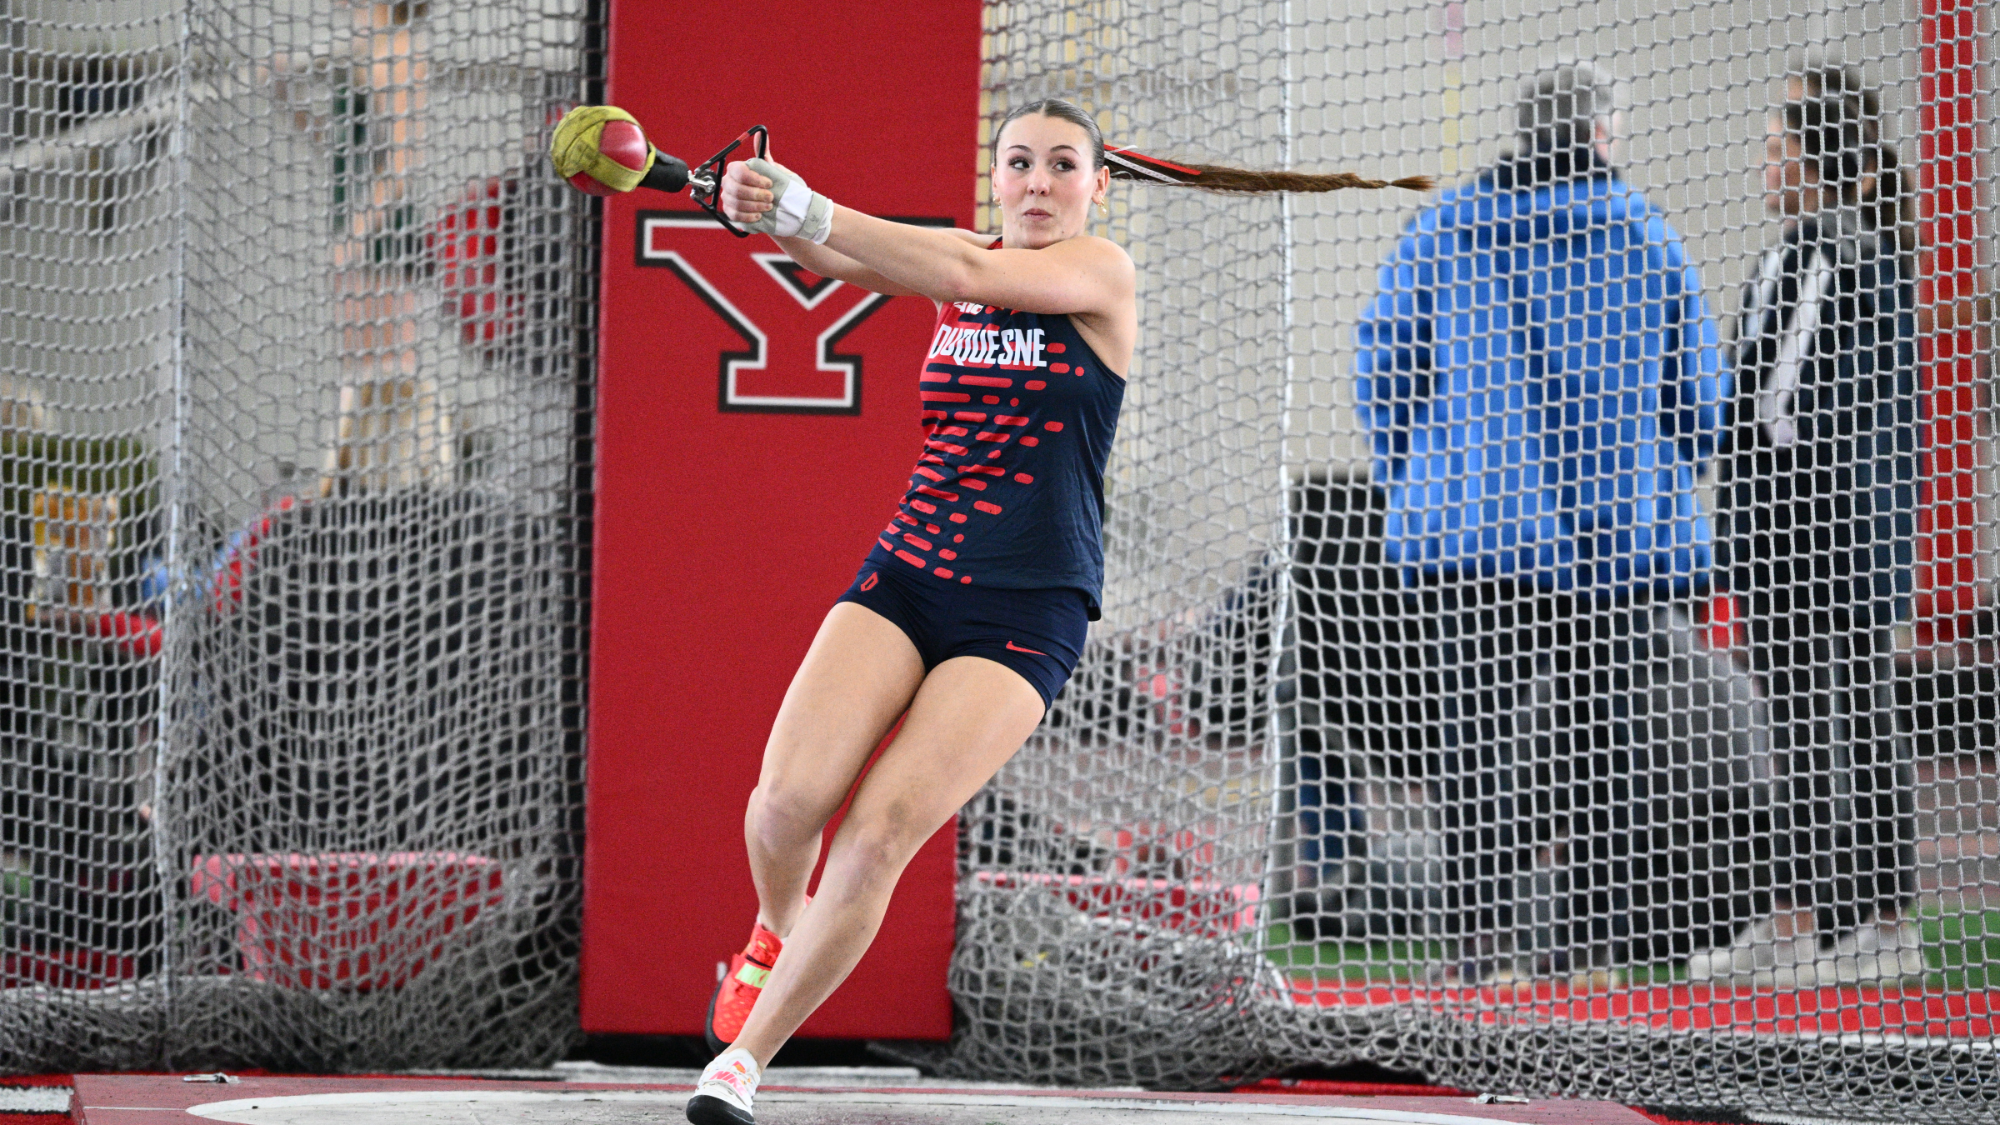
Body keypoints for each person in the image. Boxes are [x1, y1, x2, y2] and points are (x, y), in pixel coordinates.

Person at [654, 99, 1427, 1125]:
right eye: (1017, 163)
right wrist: (765, 208)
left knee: (879, 833)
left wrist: (807, 204)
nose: (1035, 182)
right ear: (995, 176)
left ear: (1096, 186)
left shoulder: (1098, 275)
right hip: (908, 572)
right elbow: (857, 262)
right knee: (784, 802)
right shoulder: (958, 259)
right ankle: (768, 931)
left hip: (1027, 605)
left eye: (1061, 165)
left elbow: (964, 274)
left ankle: (742, 1063)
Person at [1353, 61, 1729, 979]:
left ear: (1525, 133)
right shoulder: (1647, 236)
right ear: (1602, 132)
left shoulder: (1444, 230)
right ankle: (1594, 942)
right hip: (1615, 543)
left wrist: (1424, 475)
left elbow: (1385, 372)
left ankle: (1482, 945)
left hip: (1471, 532)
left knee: (1474, 742)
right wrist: (1655, 474)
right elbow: (1699, 400)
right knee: (1606, 748)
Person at [1690, 65, 1923, 984]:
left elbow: (1785, 402)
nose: (1765, 159)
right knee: (1797, 721)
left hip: (1822, 524)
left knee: (1852, 718)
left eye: (1780, 144)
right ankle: (1797, 917)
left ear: (1820, 157)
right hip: (1789, 522)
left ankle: (1877, 920)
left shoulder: (1839, 253)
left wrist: (1723, 426)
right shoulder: (1792, 251)